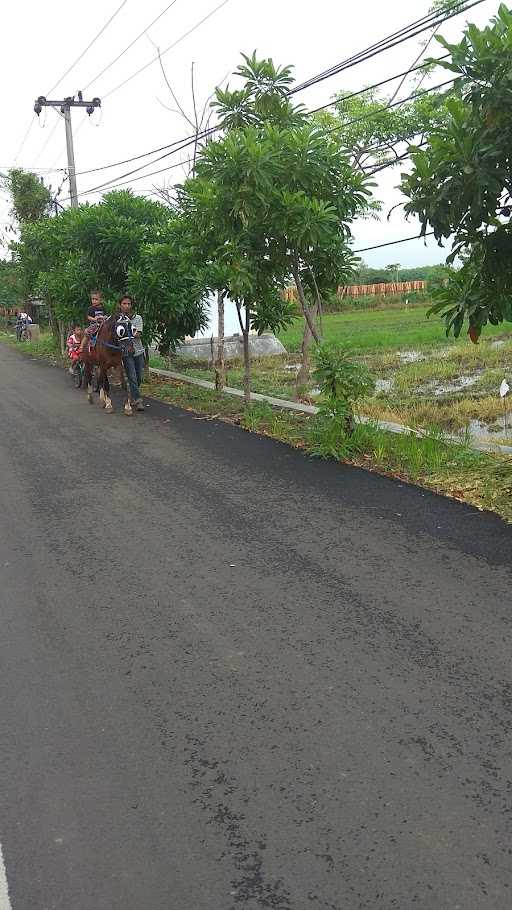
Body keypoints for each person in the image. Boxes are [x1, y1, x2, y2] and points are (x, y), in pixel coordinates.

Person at [118, 295, 145, 412]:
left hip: (138, 351)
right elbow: (117, 335)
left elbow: (138, 334)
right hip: (126, 352)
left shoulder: (138, 318)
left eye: (129, 304)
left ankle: (133, 394)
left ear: (131, 305)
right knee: (132, 376)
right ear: (120, 305)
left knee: (139, 377)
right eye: (124, 303)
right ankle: (138, 400)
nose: (127, 306)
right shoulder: (117, 319)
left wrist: (128, 326)